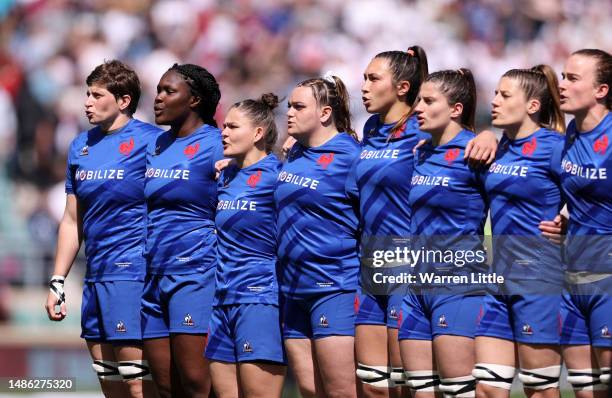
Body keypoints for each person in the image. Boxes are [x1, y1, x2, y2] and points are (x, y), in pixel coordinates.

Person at [354, 48, 498, 398]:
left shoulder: (457, 147)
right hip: (379, 266)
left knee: (440, 388)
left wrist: (493, 134)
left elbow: (520, 178)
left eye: (374, 78)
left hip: (431, 272)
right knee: (383, 386)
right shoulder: (393, 137)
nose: (364, 86)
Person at [45, 60, 160, 398]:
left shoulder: (153, 142)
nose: (87, 101)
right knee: (112, 388)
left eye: (97, 95)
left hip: (133, 275)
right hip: (95, 277)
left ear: (124, 101)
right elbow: (71, 220)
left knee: (138, 387)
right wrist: (57, 280)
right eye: (87, 93)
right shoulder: (80, 146)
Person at [473, 65, 566, 398]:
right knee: (486, 388)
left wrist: (567, 218)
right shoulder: (498, 146)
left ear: (533, 106)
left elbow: (590, 191)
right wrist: (483, 133)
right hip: (497, 279)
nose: (494, 100)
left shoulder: (554, 146)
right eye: (495, 93)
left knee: (539, 390)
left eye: (505, 95)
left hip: (539, 279)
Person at [398, 68, 487, 398]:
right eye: (419, 99)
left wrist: (490, 135)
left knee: (458, 392)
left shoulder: (475, 152)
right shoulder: (421, 151)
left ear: (456, 109)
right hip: (415, 287)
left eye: (428, 101)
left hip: (457, 283)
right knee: (420, 392)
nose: (418, 107)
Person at [141, 63, 223, 398]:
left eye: (168, 91)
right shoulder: (157, 145)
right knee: (163, 385)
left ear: (194, 100)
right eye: (158, 90)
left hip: (195, 273)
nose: (158, 98)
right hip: (153, 274)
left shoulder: (217, 143)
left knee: (196, 384)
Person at [276, 74, 361, 398]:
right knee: (310, 391)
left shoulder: (350, 155)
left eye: (299, 106)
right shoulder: (294, 152)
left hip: (334, 285)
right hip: (292, 287)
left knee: (341, 391)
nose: (290, 113)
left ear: (325, 113)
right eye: (289, 106)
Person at [205, 93, 286, 397]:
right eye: (223, 126)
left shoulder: (278, 176)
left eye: (232, 127)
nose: (223, 132)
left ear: (257, 133)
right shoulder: (225, 174)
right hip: (222, 297)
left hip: (259, 298)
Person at [558, 48, 611, 398]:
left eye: (573, 79)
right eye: (563, 76)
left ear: (601, 90)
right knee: (584, 391)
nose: (562, 85)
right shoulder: (570, 133)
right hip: (571, 279)